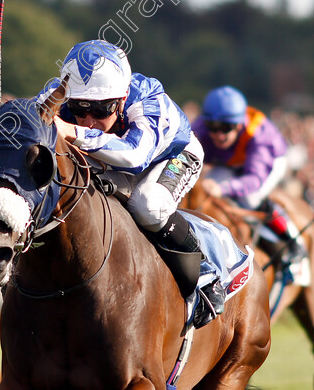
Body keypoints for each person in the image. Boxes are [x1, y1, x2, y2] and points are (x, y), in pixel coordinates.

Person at [50, 40, 225, 320]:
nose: (87, 120)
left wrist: (72, 130)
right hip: (114, 158)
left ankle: (207, 272)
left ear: (122, 98)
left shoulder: (147, 102)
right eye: (78, 108)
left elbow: (135, 157)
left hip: (172, 156)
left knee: (148, 205)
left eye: (100, 110)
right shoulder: (56, 94)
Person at [193, 85, 309, 283]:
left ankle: (292, 241)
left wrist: (223, 188)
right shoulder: (200, 128)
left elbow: (253, 180)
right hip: (231, 162)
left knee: (251, 197)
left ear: (238, 125)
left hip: (272, 161)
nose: (219, 135)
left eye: (226, 128)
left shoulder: (257, 136)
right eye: (213, 127)